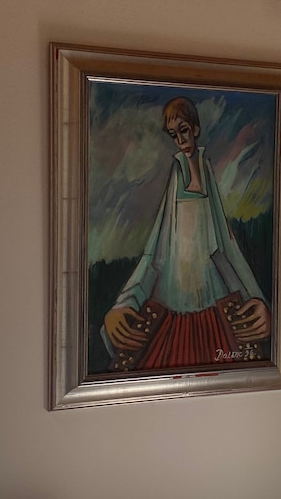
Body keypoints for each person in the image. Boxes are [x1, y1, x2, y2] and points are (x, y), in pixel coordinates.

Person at [101, 96, 271, 372]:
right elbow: (155, 253)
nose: (180, 139)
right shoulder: (176, 174)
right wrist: (122, 305)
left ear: (195, 129)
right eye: (174, 134)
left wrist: (257, 302)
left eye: (184, 130)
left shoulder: (205, 172)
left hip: (215, 311)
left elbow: (225, 247)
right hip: (170, 312)